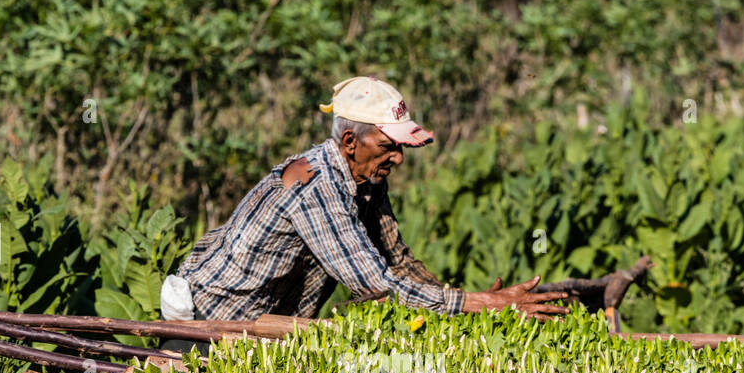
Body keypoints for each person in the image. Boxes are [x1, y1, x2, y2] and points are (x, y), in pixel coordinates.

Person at [160, 75, 566, 323]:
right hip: (213, 326)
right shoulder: (316, 186)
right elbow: (376, 286)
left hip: (262, 327)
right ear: (350, 141)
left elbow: (397, 261)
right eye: (389, 145)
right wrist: (478, 304)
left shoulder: (366, 180)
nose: (398, 157)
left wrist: (467, 310)